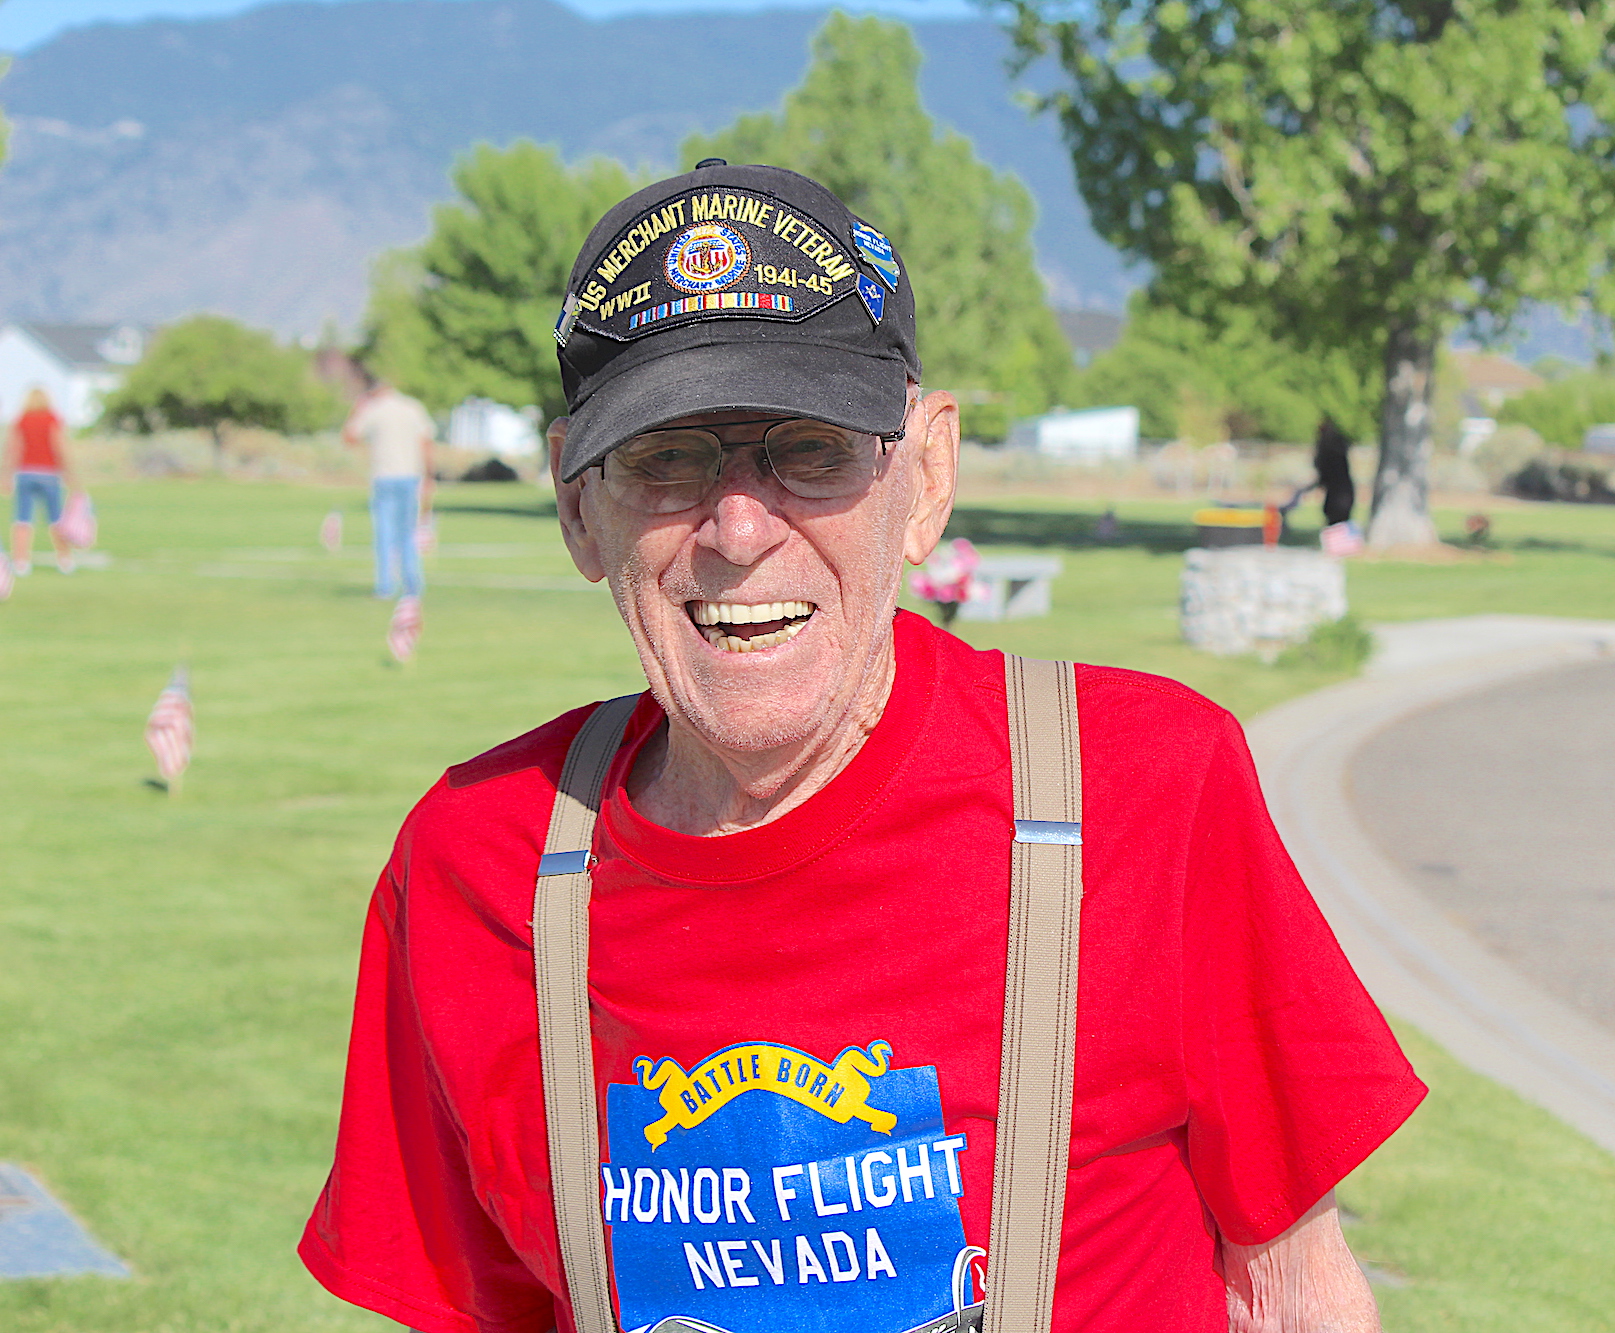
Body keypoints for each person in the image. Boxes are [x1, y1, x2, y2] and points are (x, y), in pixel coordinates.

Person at [300, 163, 1425, 1333]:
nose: (739, 528)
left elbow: (1292, 1295)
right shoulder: (476, 861)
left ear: (925, 473)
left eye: (811, 449)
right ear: (580, 507)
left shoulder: (1141, 784)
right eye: (666, 458)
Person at [342, 373, 434, 599]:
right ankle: (413, 584)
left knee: (384, 532)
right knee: (406, 533)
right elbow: (426, 442)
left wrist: (357, 409)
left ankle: (385, 586)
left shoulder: (374, 409)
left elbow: (350, 437)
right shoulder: (413, 407)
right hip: (410, 475)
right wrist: (429, 475)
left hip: (384, 477)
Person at [6, 387, 76, 577]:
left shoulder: (21, 420)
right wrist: (69, 472)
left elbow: (13, 448)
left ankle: (21, 562)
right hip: (49, 473)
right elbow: (59, 445)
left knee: (22, 519)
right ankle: (64, 559)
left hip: (25, 473)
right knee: (56, 518)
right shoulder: (51, 419)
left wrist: (6, 476)